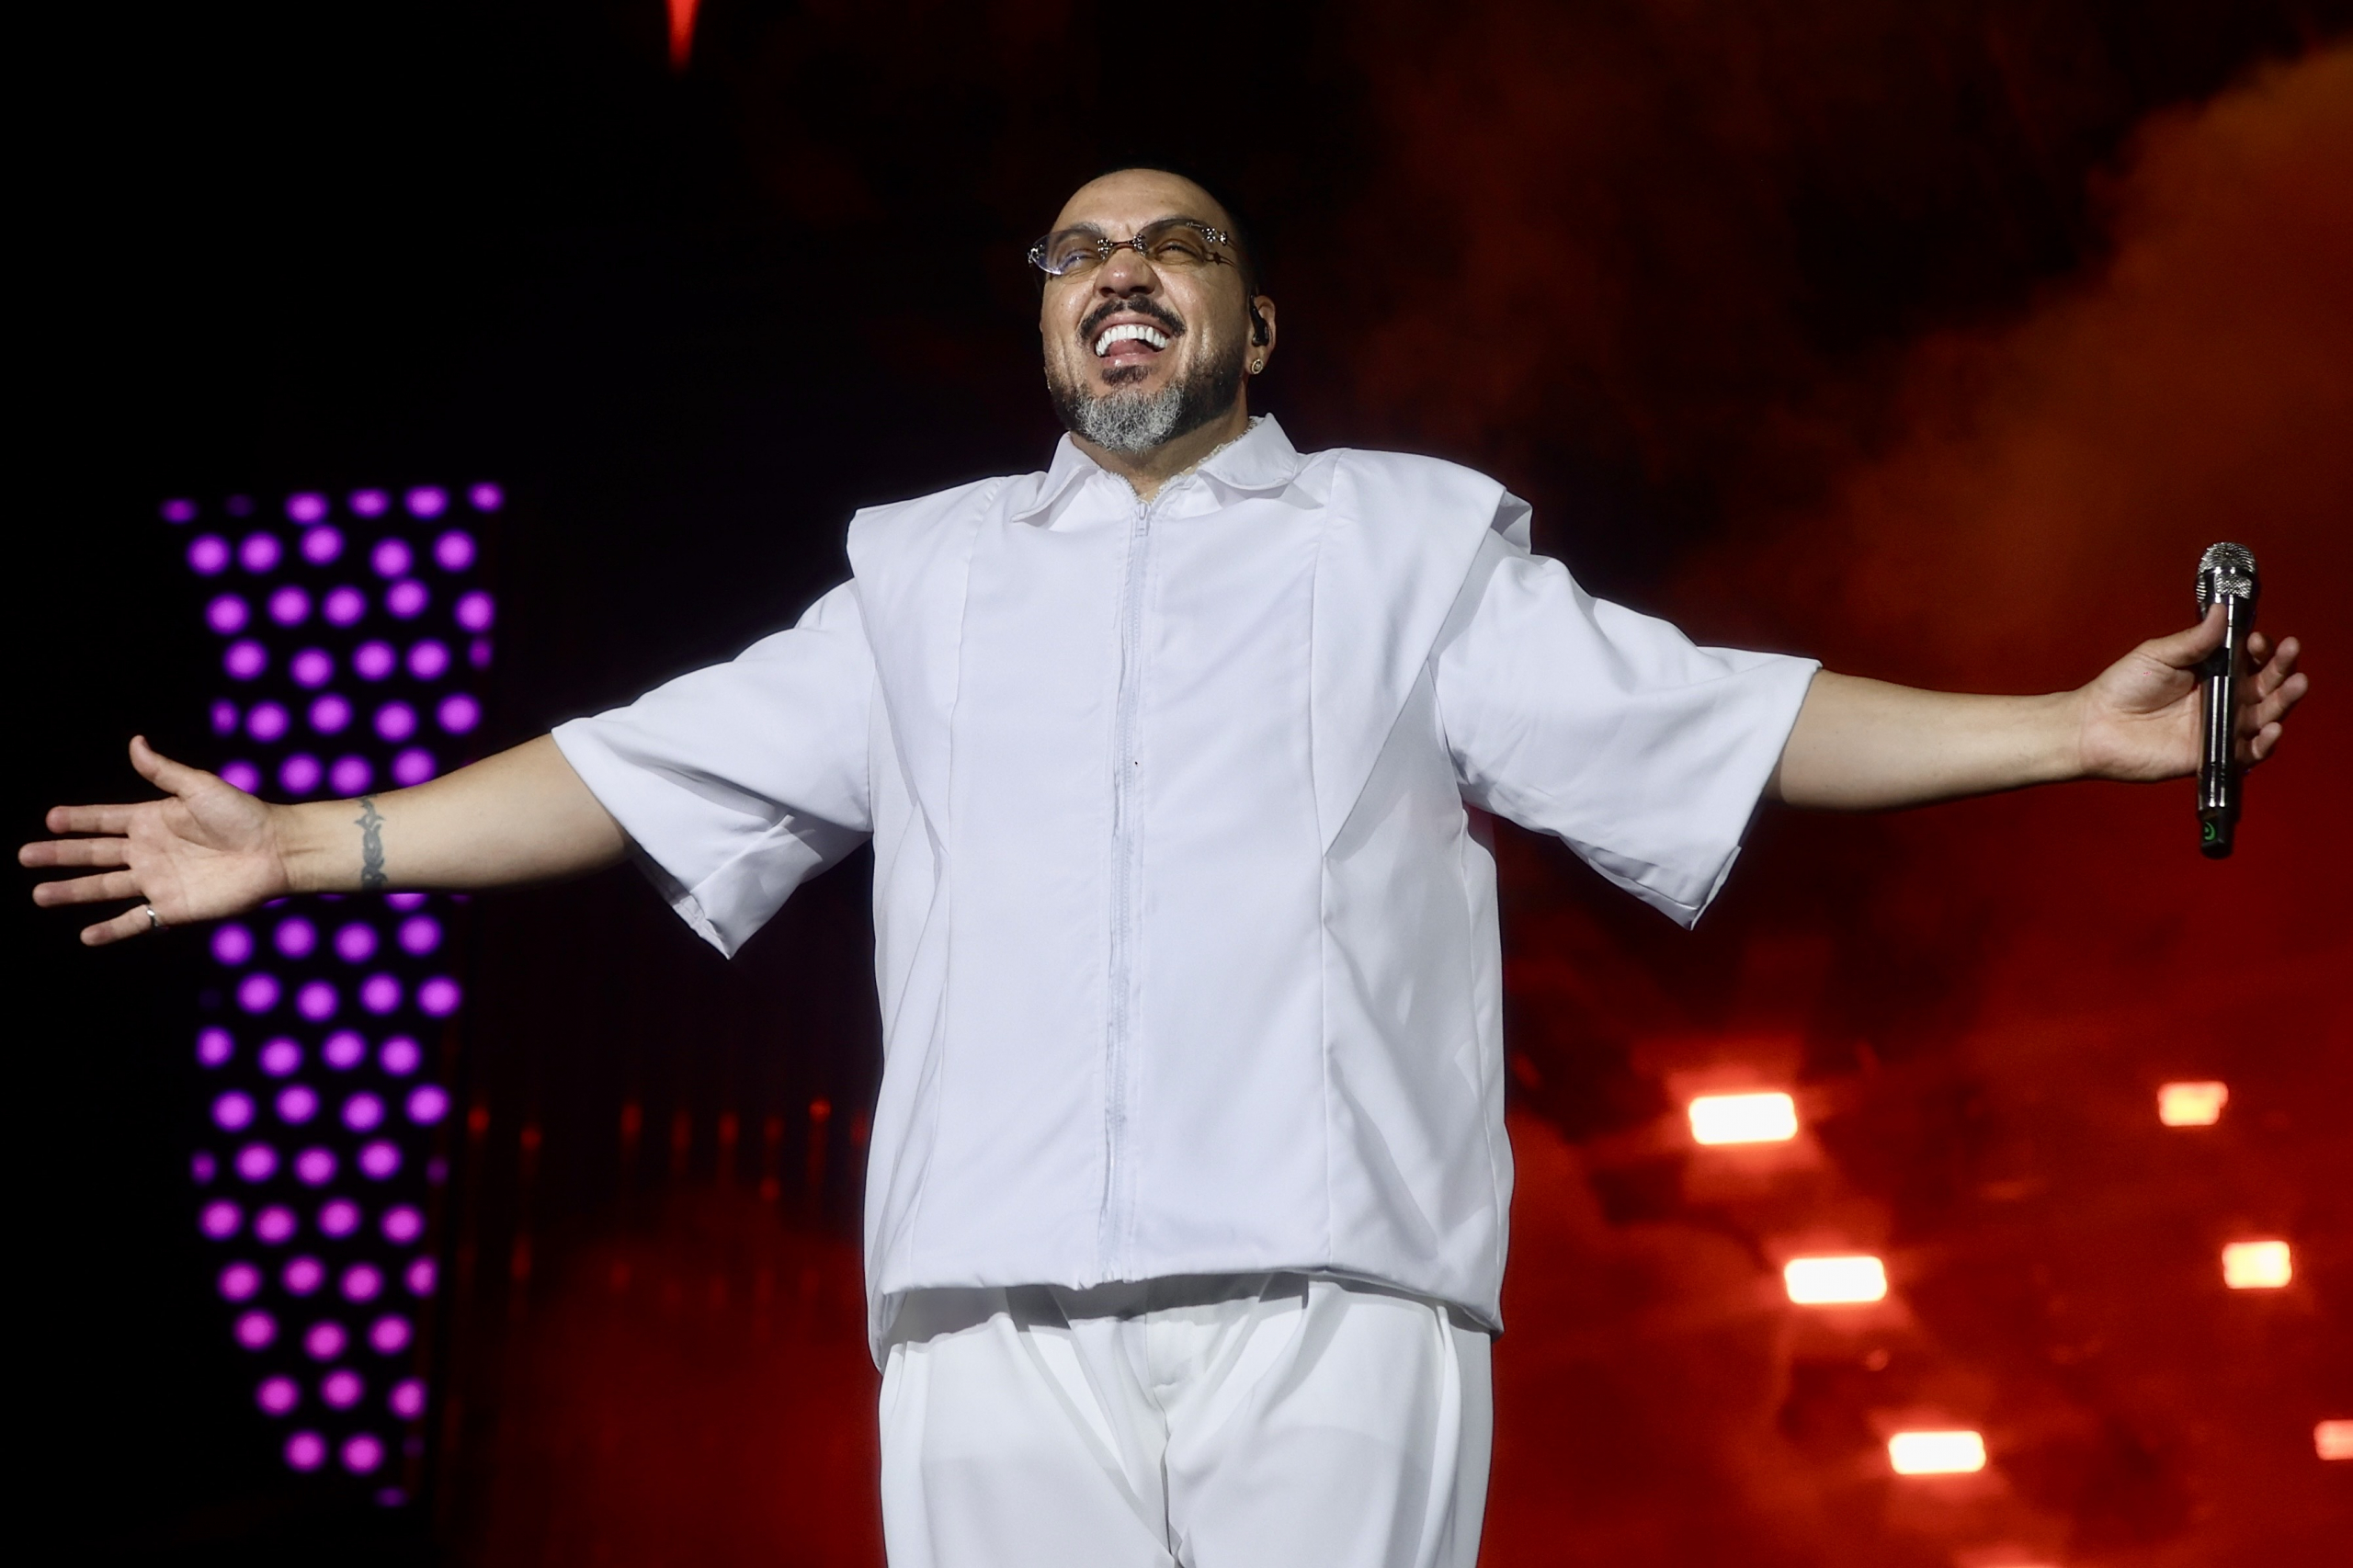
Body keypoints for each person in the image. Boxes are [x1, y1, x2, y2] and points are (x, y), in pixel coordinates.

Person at [22, 168, 2308, 1567]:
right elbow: (639, 768)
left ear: (1249, 322)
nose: (1123, 277)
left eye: (1175, 248)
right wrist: (308, 845)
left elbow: (1708, 719)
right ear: (1044, 319)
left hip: (1333, 1299)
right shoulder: (916, 578)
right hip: (985, 1313)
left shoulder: (1402, 541)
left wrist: (2062, 730)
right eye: (1080, 255)